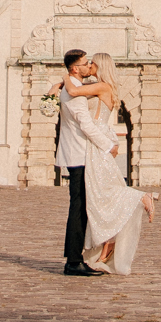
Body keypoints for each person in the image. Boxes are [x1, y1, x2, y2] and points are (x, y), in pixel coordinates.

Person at [77, 51, 156, 274]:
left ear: (100, 66)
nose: (89, 65)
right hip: (99, 142)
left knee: (103, 194)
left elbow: (73, 90)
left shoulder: (102, 87)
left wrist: (64, 78)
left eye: (92, 63)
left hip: (97, 144)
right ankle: (105, 251)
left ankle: (141, 196)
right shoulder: (104, 87)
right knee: (100, 197)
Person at [49, 50, 101, 277]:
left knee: (79, 207)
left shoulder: (72, 86)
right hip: (79, 156)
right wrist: (109, 146)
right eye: (85, 63)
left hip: (76, 154)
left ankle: (76, 257)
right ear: (75, 69)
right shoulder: (75, 94)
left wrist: (61, 82)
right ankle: (73, 261)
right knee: (78, 209)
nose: (89, 65)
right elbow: (86, 127)